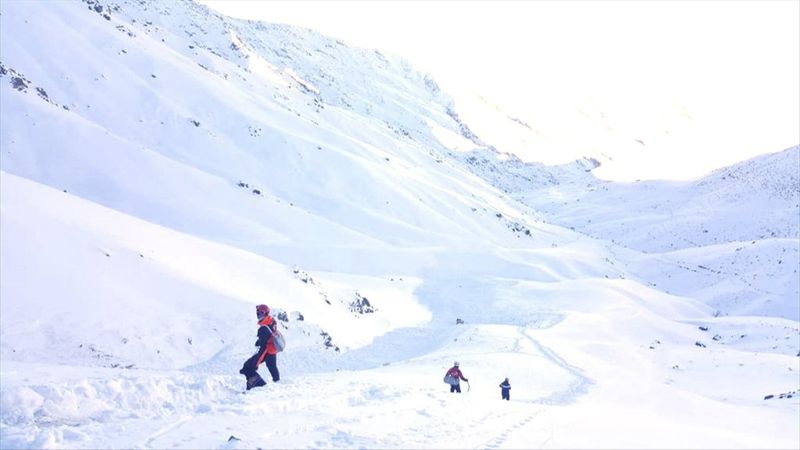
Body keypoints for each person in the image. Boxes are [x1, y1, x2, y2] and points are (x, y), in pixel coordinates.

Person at [239, 304, 280, 390]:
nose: (258, 315)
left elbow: (263, 349)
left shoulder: (263, 329)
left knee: (247, 367)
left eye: (261, 313)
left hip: (267, 350)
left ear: (266, 314)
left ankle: (260, 386)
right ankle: (278, 384)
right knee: (272, 366)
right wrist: (261, 340)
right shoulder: (271, 321)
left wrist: (256, 363)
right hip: (272, 349)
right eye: (257, 313)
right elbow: (270, 334)